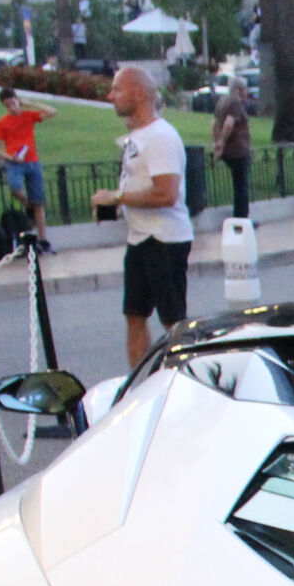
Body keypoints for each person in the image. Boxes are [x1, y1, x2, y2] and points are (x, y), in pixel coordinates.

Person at [90, 64, 193, 366]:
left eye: (117, 89)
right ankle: (138, 387)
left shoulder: (160, 137)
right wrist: (115, 203)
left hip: (165, 239)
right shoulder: (139, 136)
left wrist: (119, 196)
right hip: (140, 238)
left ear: (138, 93)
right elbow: (140, 184)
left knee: (174, 322)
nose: (111, 96)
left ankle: (183, 380)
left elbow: (167, 193)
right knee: (134, 315)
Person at [0, 86, 56, 236]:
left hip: (32, 160)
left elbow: (52, 112)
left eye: (13, 103)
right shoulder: (2, 123)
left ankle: (42, 237)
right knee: (15, 187)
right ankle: (28, 205)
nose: (11, 107)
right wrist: (9, 157)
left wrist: (29, 104)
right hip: (15, 162)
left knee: (38, 201)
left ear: (17, 101)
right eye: (8, 105)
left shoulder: (28, 116)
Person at [210, 81, 252, 218]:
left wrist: (217, 142)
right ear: (240, 90)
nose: (246, 93)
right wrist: (222, 141)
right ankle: (242, 219)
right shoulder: (236, 103)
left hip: (228, 151)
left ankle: (238, 216)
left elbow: (214, 124)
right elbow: (229, 123)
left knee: (238, 185)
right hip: (238, 149)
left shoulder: (222, 101)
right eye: (245, 90)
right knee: (242, 187)